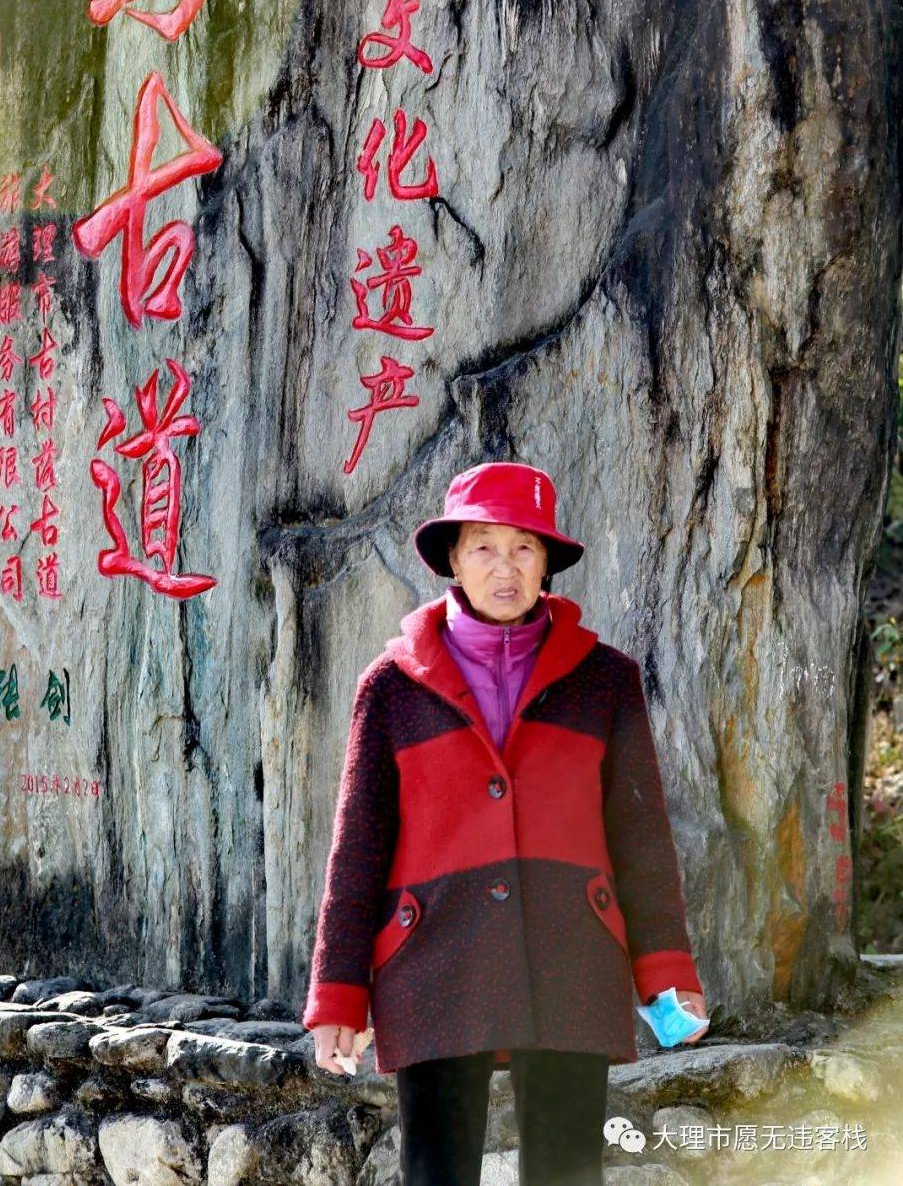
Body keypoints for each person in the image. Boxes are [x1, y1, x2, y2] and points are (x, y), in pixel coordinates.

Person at [302, 461, 708, 1186]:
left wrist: (665, 970)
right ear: (453, 558)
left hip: (572, 954)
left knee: (566, 1171)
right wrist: (338, 993)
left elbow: (641, 837)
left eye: (524, 546)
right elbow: (357, 848)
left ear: (548, 561)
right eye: (484, 545)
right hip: (431, 957)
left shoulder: (604, 680)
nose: (505, 566)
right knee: (435, 1174)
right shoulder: (392, 687)